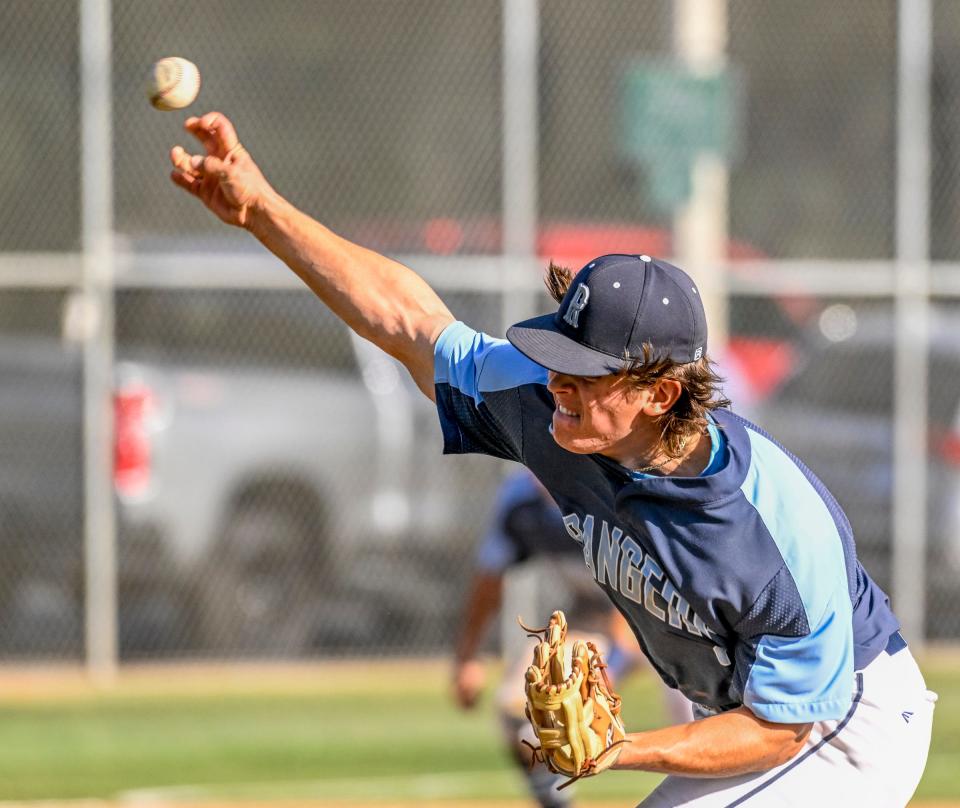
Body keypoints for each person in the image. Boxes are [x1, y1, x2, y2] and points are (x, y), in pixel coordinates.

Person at [168, 112, 936, 807]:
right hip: (739, 702)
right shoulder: (551, 407)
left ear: (661, 392)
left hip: (843, 727)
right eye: (559, 359)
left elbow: (780, 729)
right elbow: (407, 320)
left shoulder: (768, 534)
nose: (559, 383)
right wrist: (262, 212)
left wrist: (622, 748)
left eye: (587, 371)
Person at [453, 467, 692, 808]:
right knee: (517, 708)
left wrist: (609, 669)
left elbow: (642, 598)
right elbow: (489, 579)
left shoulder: (611, 490)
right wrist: (467, 656)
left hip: (676, 618)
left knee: (701, 730)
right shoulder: (520, 501)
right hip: (595, 614)